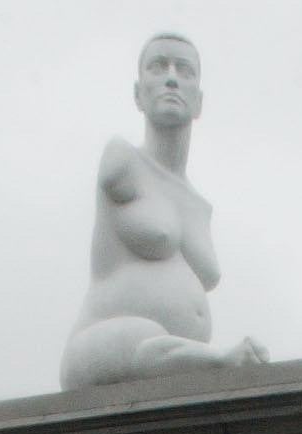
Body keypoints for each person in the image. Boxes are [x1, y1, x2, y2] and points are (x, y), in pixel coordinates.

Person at [60, 35, 268, 387]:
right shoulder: (122, 160)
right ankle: (218, 359)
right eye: (158, 67)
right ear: (138, 94)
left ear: (199, 101)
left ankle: (209, 360)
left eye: (184, 70)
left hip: (169, 374)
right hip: (103, 347)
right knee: (141, 335)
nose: (171, 78)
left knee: (154, 343)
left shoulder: (200, 207)